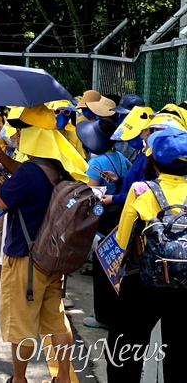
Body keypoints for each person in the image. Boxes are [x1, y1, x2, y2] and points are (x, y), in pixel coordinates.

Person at [0, 104, 88, 383]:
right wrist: (2, 157)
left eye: (21, 131)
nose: (17, 136)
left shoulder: (29, 172)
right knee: (56, 321)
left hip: (26, 258)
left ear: (33, 135)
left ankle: (19, 379)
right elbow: (30, 175)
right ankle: (63, 377)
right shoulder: (56, 165)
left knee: (22, 325)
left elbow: (2, 200)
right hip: (53, 255)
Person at [106, 127, 187, 383]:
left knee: (125, 349)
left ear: (154, 161)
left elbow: (122, 239)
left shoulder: (142, 189)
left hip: (144, 281)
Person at [76, 118, 131, 330]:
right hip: (118, 218)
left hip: (101, 219)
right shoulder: (121, 157)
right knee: (114, 266)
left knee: (101, 269)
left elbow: (90, 193)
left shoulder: (96, 163)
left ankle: (103, 315)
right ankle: (110, 310)